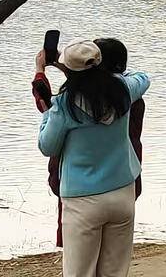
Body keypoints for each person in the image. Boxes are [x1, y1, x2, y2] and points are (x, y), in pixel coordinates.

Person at [38, 40, 150, 277]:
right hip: (122, 191)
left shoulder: (64, 105)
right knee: (115, 272)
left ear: (70, 72)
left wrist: (48, 109)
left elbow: (47, 146)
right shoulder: (123, 89)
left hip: (82, 200)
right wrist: (98, 69)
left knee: (79, 272)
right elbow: (143, 77)